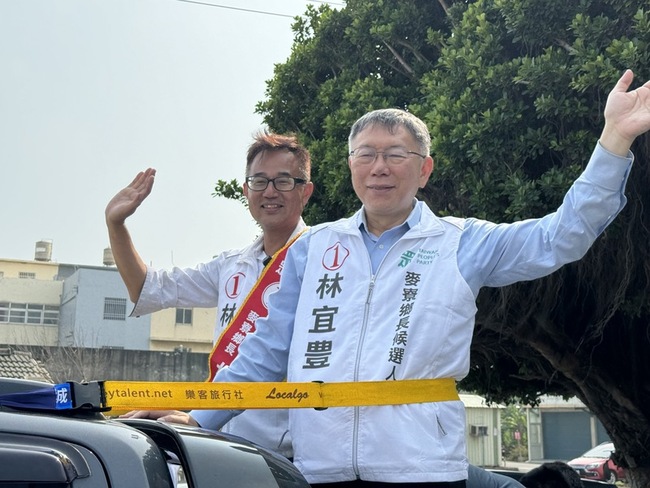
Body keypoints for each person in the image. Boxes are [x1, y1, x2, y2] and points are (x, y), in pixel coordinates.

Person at [126, 69, 650, 487]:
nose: (379, 167)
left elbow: (561, 237)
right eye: (366, 154)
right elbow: (263, 351)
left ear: (424, 169)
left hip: (422, 468)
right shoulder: (311, 249)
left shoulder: (460, 242)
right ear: (350, 166)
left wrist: (613, 140)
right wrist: (200, 419)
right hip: (319, 469)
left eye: (396, 155)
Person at [104, 131, 314, 459]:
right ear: (246, 191)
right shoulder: (231, 265)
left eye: (283, 181)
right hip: (221, 444)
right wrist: (116, 225)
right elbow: (149, 289)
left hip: (289, 455)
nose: (270, 192)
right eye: (259, 181)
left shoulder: (325, 259)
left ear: (306, 192)